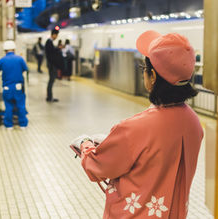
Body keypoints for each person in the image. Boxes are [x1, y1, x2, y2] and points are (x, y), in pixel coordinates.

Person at [72, 31, 203, 218]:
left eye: (144, 69)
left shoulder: (133, 128)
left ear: (153, 77)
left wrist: (85, 144)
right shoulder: (193, 121)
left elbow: (98, 168)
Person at [0, 40, 28, 130]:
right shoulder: (20, 59)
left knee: (8, 106)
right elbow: (25, 69)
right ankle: (23, 125)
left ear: (4, 50)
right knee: (20, 106)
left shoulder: (2, 60)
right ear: (14, 49)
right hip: (18, 87)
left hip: (7, 88)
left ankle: (9, 125)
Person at [45, 29, 60, 102]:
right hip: (51, 65)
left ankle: (50, 96)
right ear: (53, 34)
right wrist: (57, 49)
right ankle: (49, 97)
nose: (56, 37)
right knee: (51, 80)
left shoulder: (49, 42)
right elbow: (51, 54)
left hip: (51, 64)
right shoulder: (49, 42)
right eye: (56, 35)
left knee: (51, 80)